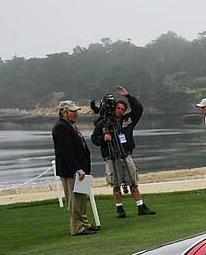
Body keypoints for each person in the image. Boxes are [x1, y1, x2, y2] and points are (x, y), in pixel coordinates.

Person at [90, 85, 155, 218]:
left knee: (133, 181)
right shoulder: (103, 123)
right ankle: (119, 208)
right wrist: (103, 138)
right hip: (110, 156)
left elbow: (138, 109)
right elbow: (94, 138)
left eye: (122, 109)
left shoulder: (127, 120)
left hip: (125, 154)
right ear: (113, 108)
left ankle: (140, 206)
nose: (120, 111)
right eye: (118, 108)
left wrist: (128, 96)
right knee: (116, 183)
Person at [52, 101, 98, 236]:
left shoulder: (70, 126)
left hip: (80, 169)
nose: (75, 114)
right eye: (72, 112)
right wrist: (77, 169)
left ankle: (84, 223)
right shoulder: (61, 127)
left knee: (82, 198)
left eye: (76, 111)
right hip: (71, 171)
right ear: (63, 112)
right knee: (74, 200)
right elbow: (66, 152)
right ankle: (77, 227)